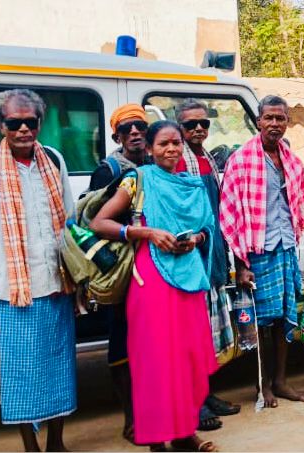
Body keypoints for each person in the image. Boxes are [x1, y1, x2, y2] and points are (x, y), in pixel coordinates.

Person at [90, 120, 219, 452]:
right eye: (163, 143)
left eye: (176, 143)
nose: (172, 149)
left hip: (188, 277)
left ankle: (184, 432)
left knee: (187, 358)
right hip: (152, 280)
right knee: (156, 360)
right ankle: (156, 439)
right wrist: (147, 233)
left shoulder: (190, 184)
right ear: (149, 148)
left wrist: (196, 238)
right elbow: (99, 222)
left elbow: (207, 228)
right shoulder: (138, 179)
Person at [0, 89, 77, 451]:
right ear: (1, 125)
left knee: (59, 366)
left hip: (57, 285)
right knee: (22, 375)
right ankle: (31, 446)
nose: (24, 129)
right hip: (14, 294)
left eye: (31, 121)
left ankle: (56, 442)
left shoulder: (54, 159)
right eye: (15, 123)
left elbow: (70, 223)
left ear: (40, 123)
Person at [221, 95, 304, 405]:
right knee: (261, 321)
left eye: (280, 118)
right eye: (269, 118)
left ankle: (281, 381)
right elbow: (230, 215)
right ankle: (262, 385)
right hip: (257, 252)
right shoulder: (240, 160)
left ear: (287, 122)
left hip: (285, 246)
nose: (274, 124)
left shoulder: (291, 161)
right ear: (258, 121)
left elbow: (299, 205)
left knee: (284, 319)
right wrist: (241, 264)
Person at [87, 103, 151, 443]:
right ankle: (131, 419)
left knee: (152, 343)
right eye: (127, 129)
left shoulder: (156, 164)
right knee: (123, 344)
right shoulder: (108, 171)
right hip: (121, 269)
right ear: (117, 137)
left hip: (153, 266)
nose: (135, 133)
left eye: (140, 127)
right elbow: (92, 223)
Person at [177, 99, 241, 427]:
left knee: (206, 332)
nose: (199, 129)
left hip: (211, 253)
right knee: (189, 335)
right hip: (191, 258)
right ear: (180, 128)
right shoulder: (177, 161)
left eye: (204, 123)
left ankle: (205, 393)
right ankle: (194, 404)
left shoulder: (207, 158)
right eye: (191, 125)